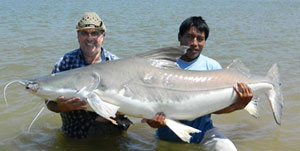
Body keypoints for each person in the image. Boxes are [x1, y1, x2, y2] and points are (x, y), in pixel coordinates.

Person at [143, 16, 253, 151]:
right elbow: (148, 104)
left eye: (200, 39)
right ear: (179, 37)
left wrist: (238, 106)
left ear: (205, 41)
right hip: (168, 135)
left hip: (204, 134)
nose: (194, 43)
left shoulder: (212, 67)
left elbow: (216, 109)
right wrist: (152, 122)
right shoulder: (162, 66)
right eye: (189, 37)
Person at [46, 12, 130, 138]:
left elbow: (130, 100)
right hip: (73, 131)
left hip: (109, 130)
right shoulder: (65, 62)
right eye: (84, 33)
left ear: (103, 36)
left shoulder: (115, 64)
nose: (89, 38)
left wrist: (116, 113)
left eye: (94, 33)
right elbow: (48, 101)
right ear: (78, 37)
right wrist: (61, 107)